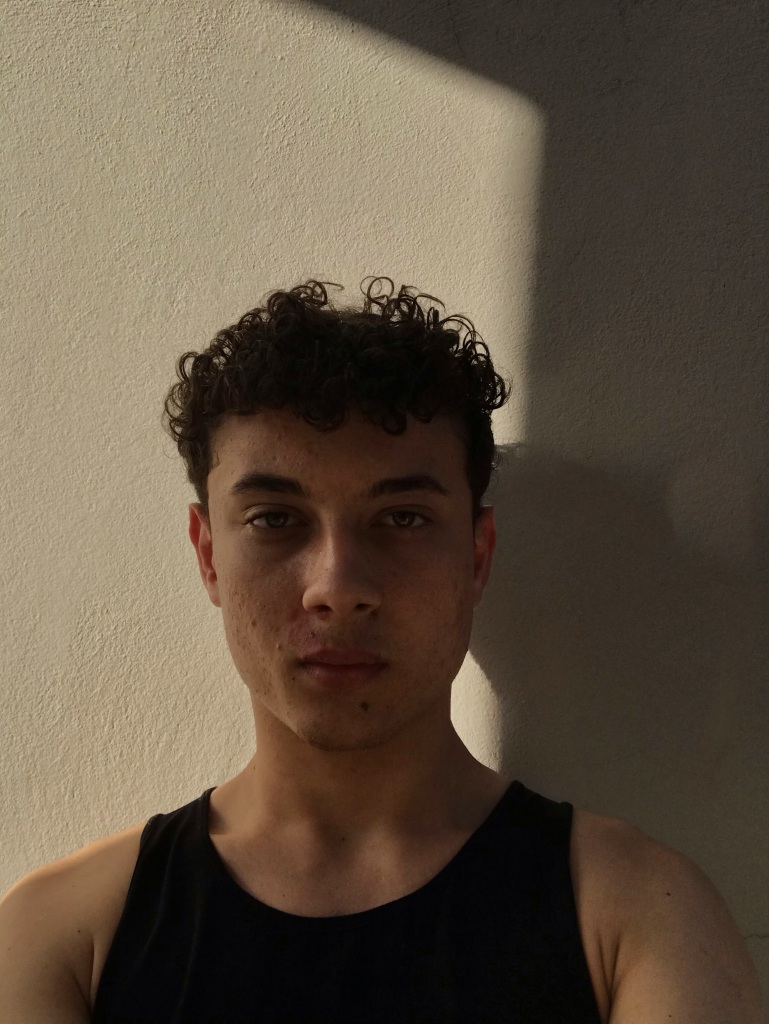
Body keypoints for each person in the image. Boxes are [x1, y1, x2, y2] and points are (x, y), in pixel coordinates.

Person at [0, 278, 763, 1023]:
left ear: (476, 556)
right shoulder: (60, 935)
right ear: (207, 557)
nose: (336, 587)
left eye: (401, 518)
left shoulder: (636, 915)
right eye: (274, 520)